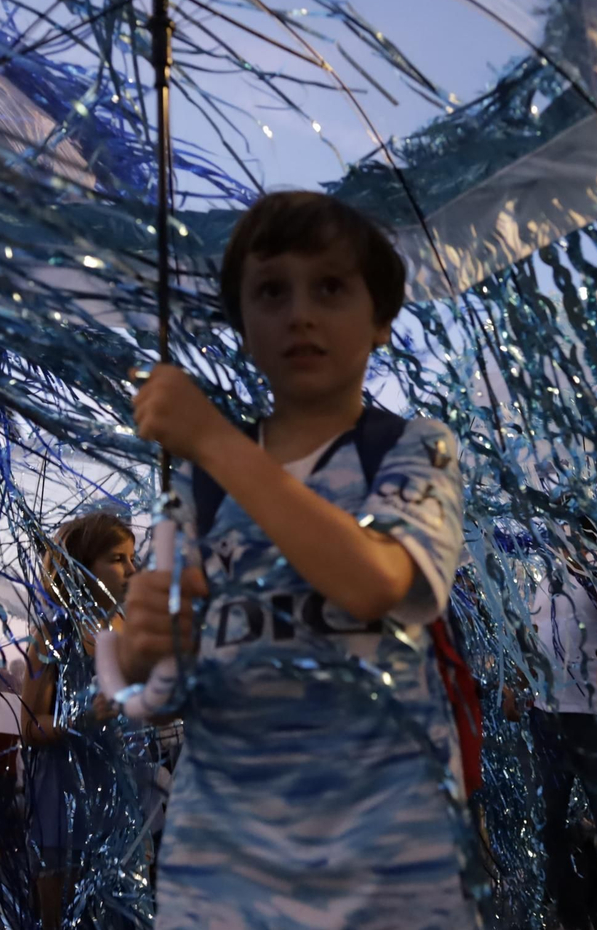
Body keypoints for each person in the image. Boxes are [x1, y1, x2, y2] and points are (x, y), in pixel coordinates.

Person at [117, 191, 474, 929]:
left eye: (331, 288)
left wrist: (215, 439)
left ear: (381, 321)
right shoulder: (197, 485)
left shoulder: (414, 449)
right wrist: (137, 651)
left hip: (389, 871)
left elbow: (375, 581)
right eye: (271, 291)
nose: (300, 313)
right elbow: (153, 682)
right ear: (244, 326)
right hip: (221, 875)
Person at [20, 512, 139, 929]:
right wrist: (77, 722)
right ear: (83, 568)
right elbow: (29, 727)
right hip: (65, 796)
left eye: (132, 558)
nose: (131, 570)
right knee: (65, 915)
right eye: (117, 558)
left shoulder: (137, 632)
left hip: (123, 792)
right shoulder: (55, 634)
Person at [527, 531, 597, 930]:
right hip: (548, 716)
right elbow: (537, 641)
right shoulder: (543, 581)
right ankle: (571, 915)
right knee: (550, 822)